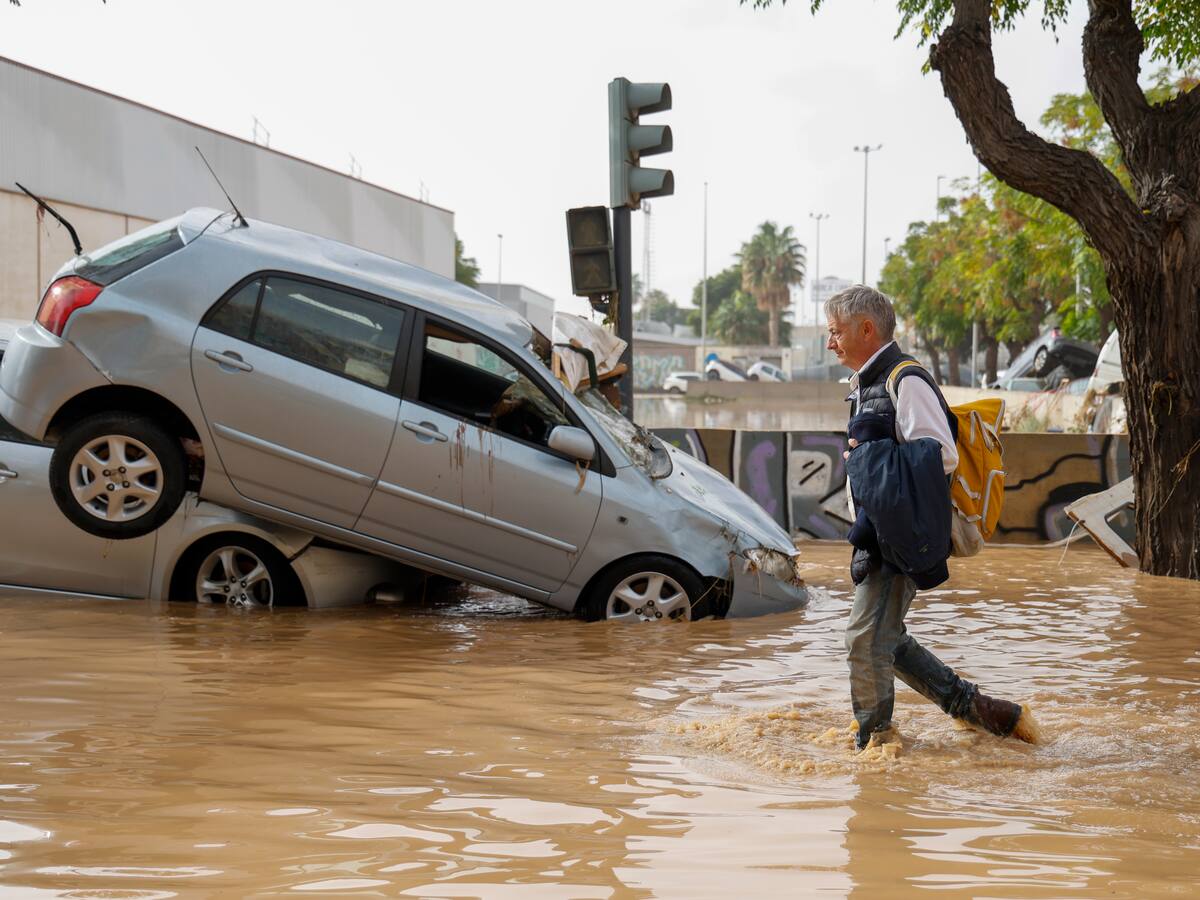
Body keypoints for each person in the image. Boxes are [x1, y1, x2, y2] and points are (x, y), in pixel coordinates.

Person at [824, 285, 1037, 752]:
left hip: (899, 534)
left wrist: (869, 456)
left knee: (863, 639)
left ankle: (875, 745)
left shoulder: (906, 379)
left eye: (836, 332)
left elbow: (939, 455)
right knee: (886, 638)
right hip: (880, 532)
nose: (830, 342)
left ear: (866, 329)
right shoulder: (868, 384)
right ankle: (984, 713)